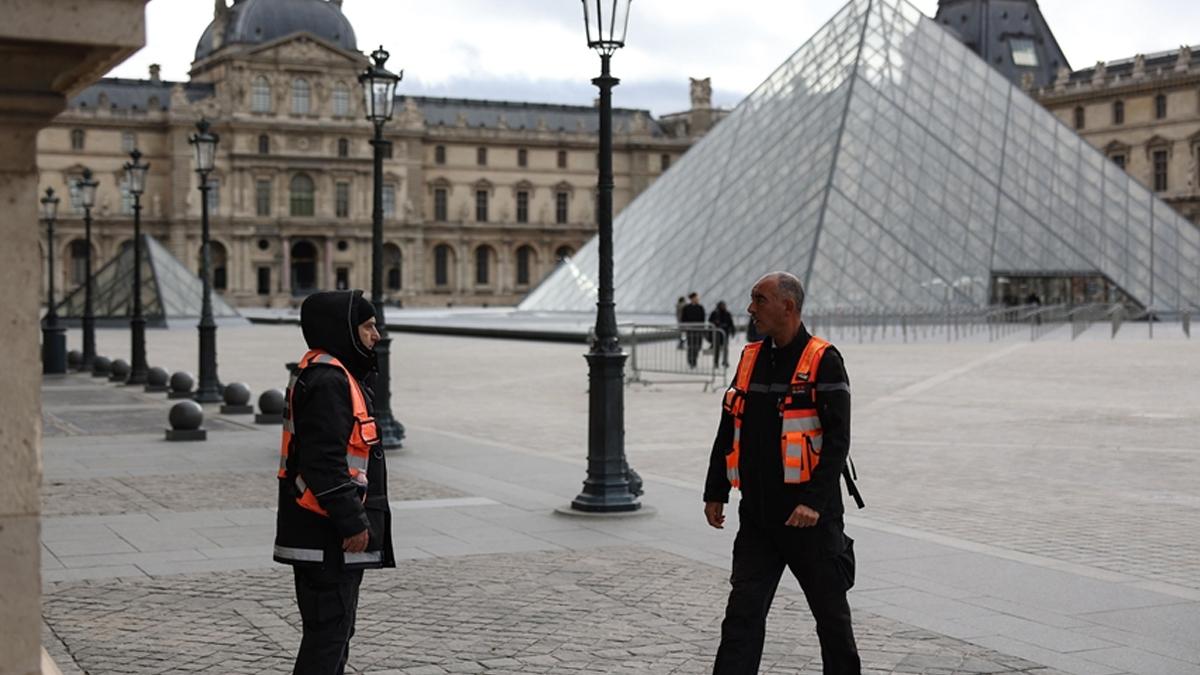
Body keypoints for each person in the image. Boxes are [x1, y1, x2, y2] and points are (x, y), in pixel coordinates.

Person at [704, 272, 863, 675]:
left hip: (809, 520)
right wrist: (716, 489)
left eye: (759, 299)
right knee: (741, 617)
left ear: (787, 307)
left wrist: (813, 502)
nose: (750, 308)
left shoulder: (824, 360)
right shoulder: (749, 356)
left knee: (832, 621)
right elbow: (729, 425)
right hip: (758, 516)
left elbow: (837, 441)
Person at [275, 289, 395, 675]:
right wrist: (353, 522)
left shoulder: (328, 373)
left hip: (320, 532)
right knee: (327, 639)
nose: (376, 335)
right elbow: (323, 462)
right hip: (326, 535)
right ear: (342, 329)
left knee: (334, 634)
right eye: (368, 326)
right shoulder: (330, 381)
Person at [681, 292, 707, 368]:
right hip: (690, 330)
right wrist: (685, 327)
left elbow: (703, 319)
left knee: (698, 346)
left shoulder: (700, 307)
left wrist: (703, 328)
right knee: (691, 346)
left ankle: (694, 359)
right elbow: (683, 318)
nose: (697, 299)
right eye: (696, 298)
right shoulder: (686, 308)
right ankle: (691, 361)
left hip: (699, 330)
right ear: (692, 299)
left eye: (697, 298)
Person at [709, 300, 736, 368]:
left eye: (724, 305)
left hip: (725, 334)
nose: (723, 307)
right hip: (717, 333)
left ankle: (725, 361)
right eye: (722, 305)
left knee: (725, 349)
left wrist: (732, 331)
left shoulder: (727, 313)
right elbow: (710, 323)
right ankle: (716, 362)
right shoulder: (715, 313)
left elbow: (731, 323)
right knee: (717, 349)